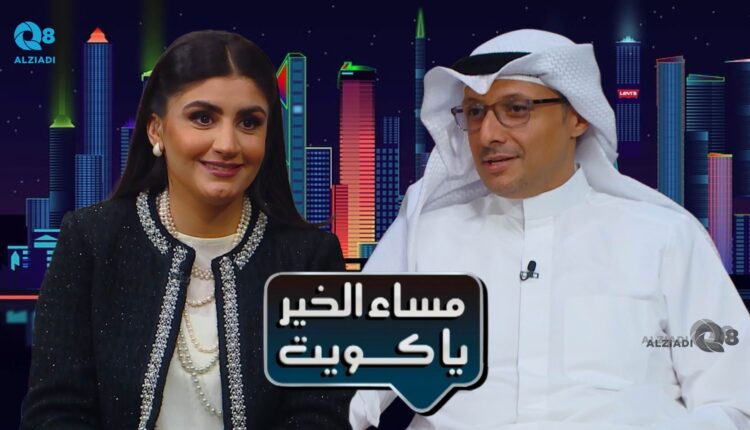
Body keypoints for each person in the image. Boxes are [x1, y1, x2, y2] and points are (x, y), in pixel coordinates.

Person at [349, 29, 750, 429]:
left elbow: (734, 404)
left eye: (516, 109)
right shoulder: (426, 239)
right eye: (475, 112)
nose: (488, 135)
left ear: (577, 116)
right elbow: (346, 386)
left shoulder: (664, 240)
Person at [21, 30, 352, 429]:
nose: (227, 144)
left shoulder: (310, 258)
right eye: (203, 118)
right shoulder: (91, 240)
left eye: (249, 122)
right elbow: (55, 411)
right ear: (156, 129)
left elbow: (320, 414)